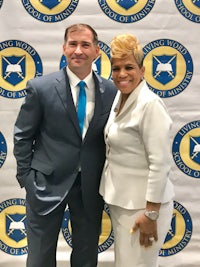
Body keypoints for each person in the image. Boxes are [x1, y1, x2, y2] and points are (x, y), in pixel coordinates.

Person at [13, 23, 116, 267]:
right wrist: (27, 178)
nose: (78, 50)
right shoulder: (41, 88)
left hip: (90, 187)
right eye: (73, 44)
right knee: (39, 257)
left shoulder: (111, 91)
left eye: (85, 45)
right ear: (63, 48)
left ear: (97, 51)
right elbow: (22, 136)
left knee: (86, 256)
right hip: (45, 184)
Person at [99, 33, 174, 267]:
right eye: (116, 68)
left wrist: (151, 214)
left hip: (143, 208)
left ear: (142, 70)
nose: (122, 74)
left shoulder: (149, 104)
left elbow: (159, 163)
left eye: (129, 67)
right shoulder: (120, 97)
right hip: (124, 202)